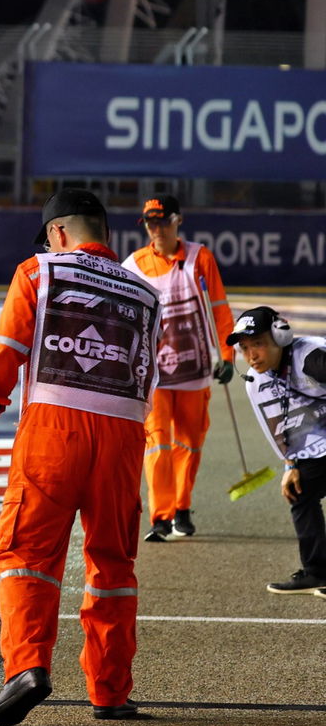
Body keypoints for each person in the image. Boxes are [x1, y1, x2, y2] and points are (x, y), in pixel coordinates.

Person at [0, 189, 161, 726]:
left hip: (55, 430)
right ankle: (111, 691)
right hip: (124, 436)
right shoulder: (146, 293)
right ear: (104, 231)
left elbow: (8, 346)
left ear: (57, 233)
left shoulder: (39, 271)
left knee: (27, 554)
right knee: (114, 566)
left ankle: (26, 670)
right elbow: (149, 376)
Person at [122, 195, 236, 542]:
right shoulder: (134, 265)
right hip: (154, 375)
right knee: (157, 445)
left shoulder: (200, 258)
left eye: (161, 221)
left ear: (177, 221)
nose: (155, 229)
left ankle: (182, 508)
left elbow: (218, 307)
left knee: (190, 444)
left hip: (195, 371)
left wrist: (228, 355)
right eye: (150, 223)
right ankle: (160, 516)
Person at [226, 306, 326, 595]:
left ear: (281, 338)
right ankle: (317, 572)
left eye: (258, 344)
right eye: (244, 348)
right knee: (300, 490)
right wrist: (290, 464)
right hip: (319, 442)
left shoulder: (313, 359)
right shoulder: (257, 381)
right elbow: (283, 425)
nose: (251, 355)